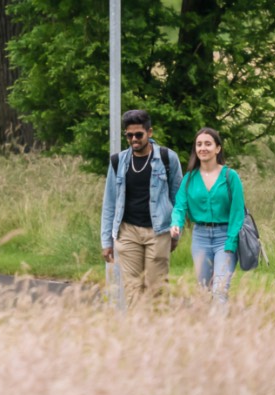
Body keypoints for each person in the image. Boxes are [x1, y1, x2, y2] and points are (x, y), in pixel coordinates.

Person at [100, 109, 184, 303]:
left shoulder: (167, 158)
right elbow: (110, 203)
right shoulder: (117, 161)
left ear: (150, 132)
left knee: (156, 291)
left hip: (158, 231)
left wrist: (175, 233)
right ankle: (138, 332)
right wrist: (106, 241)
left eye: (139, 134)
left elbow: (178, 199)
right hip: (127, 232)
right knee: (133, 291)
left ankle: (158, 331)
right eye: (129, 135)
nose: (134, 139)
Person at [169, 128, 245, 304]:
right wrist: (176, 223)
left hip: (225, 237)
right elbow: (180, 205)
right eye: (199, 144)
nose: (203, 148)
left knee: (220, 289)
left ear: (217, 148)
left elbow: (237, 212)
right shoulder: (189, 178)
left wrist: (231, 241)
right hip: (200, 237)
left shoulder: (230, 176)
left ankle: (221, 330)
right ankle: (206, 328)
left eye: (208, 144)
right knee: (203, 291)